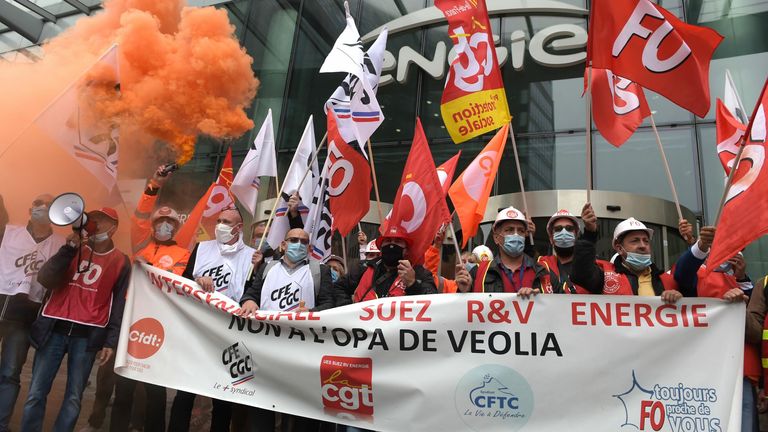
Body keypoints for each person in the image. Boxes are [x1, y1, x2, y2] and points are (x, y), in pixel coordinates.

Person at [90, 167, 190, 432]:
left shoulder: (183, 253)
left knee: (155, 388)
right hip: (130, 319)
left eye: (168, 223)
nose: (163, 226)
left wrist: (152, 269)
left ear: (176, 227)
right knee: (122, 384)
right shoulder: (140, 244)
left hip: (159, 323)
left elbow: (175, 283)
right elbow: (141, 214)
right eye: (159, 222)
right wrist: (155, 183)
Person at [21, 207, 130, 432]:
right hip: (55, 329)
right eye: (94, 219)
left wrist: (110, 341)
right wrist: (69, 249)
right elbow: (45, 279)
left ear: (114, 227)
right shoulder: (71, 247)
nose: (97, 224)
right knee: (36, 392)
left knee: (73, 397)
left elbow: (118, 303)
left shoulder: (121, 261)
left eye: (103, 220)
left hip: (87, 336)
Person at [168, 207, 255, 432]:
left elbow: (251, 291)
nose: (220, 225)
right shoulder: (202, 248)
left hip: (229, 334)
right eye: (218, 220)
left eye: (226, 221)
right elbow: (184, 281)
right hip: (197, 330)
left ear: (238, 228)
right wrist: (198, 279)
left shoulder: (251, 256)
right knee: (185, 392)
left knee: (222, 397)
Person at [673, 225, 757, 432]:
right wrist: (700, 245)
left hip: (741, 373)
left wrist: (741, 282)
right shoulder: (699, 274)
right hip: (705, 370)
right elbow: (683, 273)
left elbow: (756, 327)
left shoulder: (747, 283)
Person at [0, 194, 65, 431]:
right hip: (0, 304)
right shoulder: (8, 232)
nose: (44, 208)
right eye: (39, 203)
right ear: (30, 209)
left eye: (50, 205)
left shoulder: (61, 244)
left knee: (9, 372)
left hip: (25, 317)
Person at [571, 217, 687, 300]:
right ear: (619, 248)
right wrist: (589, 235)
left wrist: (680, 300)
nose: (642, 245)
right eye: (635, 241)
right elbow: (580, 274)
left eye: (646, 241)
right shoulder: (604, 275)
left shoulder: (668, 280)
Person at [455, 206, 550, 296]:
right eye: (509, 230)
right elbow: (464, 309)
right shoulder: (479, 271)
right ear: (496, 238)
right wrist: (463, 292)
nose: (516, 235)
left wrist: (538, 300)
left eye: (520, 231)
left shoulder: (542, 272)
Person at [335, 226, 437, 306]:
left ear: (406, 250)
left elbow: (433, 302)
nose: (392, 245)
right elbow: (338, 287)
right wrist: (347, 310)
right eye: (388, 241)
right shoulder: (364, 267)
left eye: (397, 242)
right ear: (381, 248)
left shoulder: (419, 273)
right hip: (364, 329)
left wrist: (413, 284)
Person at [240, 228, 334, 314]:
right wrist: (249, 301)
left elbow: (329, 304)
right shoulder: (267, 267)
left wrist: (311, 312)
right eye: (293, 240)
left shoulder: (320, 270)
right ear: (283, 245)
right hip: (267, 329)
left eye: (304, 242)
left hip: (301, 329)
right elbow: (252, 294)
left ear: (309, 248)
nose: (299, 244)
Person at [536, 205, 598, 294]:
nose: (564, 233)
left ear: (576, 236)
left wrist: (591, 232)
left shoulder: (591, 267)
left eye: (569, 229)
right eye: (558, 229)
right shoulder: (542, 267)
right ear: (551, 238)